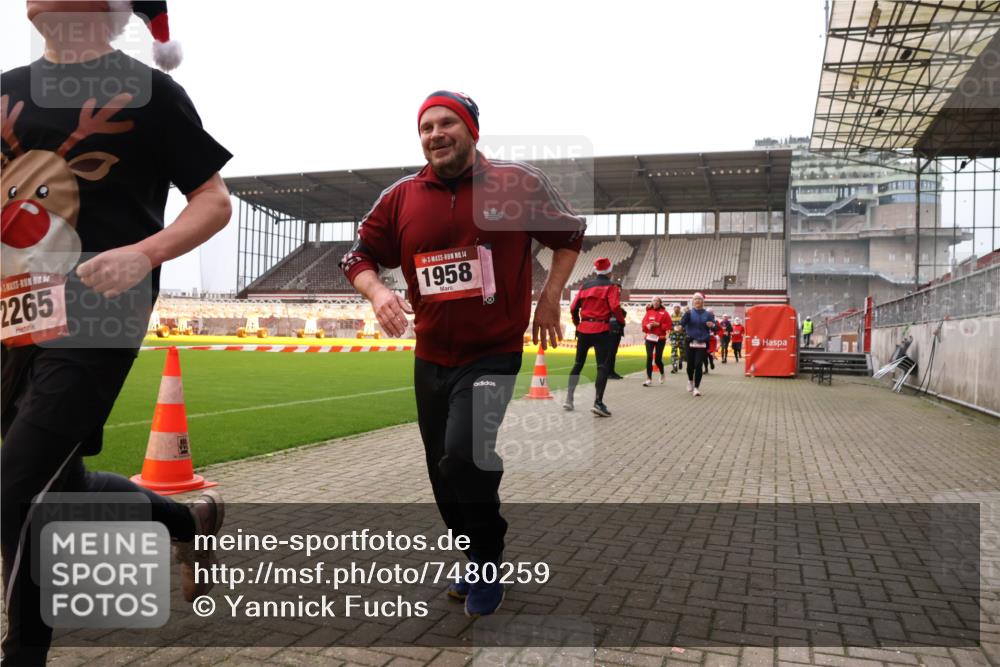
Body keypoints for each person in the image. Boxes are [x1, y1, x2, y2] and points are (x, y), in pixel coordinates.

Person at [1, 3, 232, 662]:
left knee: (18, 489)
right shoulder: (5, 88)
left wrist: (146, 253)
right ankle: (191, 518)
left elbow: (214, 200)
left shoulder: (150, 92)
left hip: (100, 312)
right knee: (58, 480)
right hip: (14, 310)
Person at [340, 90, 584, 617]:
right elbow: (357, 255)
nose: (435, 134)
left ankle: (488, 555)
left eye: (446, 122)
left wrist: (549, 296)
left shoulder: (517, 184)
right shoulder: (402, 195)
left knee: (463, 454)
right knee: (442, 469)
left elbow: (569, 235)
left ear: (472, 129)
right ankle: (473, 552)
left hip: (493, 352)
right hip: (431, 355)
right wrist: (379, 292)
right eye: (426, 127)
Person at [565, 258, 626, 417]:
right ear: (609, 271)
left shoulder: (584, 286)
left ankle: (569, 399)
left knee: (578, 364)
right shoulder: (611, 286)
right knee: (602, 367)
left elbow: (573, 308)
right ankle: (598, 403)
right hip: (601, 329)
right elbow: (614, 306)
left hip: (584, 329)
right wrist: (621, 321)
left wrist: (577, 323)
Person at [680, 293, 716, 397]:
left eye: (699, 299)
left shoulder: (708, 314)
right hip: (690, 341)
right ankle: (690, 380)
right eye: (695, 299)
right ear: (693, 301)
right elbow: (682, 324)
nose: (697, 301)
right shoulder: (689, 313)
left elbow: (715, 328)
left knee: (698, 364)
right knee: (690, 365)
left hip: (702, 342)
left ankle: (696, 388)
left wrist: (712, 325)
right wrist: (685, 314)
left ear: (702, 301)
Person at [640, 297, 672, 386]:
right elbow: (644, 323)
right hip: (649, 338)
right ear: (652, 302)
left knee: (658, 359)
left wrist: (659, 325)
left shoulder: (665, 313)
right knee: (649, 357)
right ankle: (649, 379)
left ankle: (662, 373)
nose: (656, 302)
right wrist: (647, 326)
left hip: (660, 338)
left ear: (660, 303)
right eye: (654, 301)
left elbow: (669, 326)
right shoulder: (649, 312)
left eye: (657, 301)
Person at [606, 275, 625, 380]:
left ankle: (609, 371)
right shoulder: (612, 299)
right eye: (618, 289)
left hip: (612, 327)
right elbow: (615, 309)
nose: (619, 291)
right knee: (611, 351)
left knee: (612, 352)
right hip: (613, 328)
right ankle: (609, 372)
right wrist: (622, 319)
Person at [670, 303, 685, 372]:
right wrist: (673, 328)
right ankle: (674, 366)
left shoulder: (683, 316)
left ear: (680, 308)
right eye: (675, 307)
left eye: (678, 307)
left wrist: (682, 328)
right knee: (673, 351)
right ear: (673, 308)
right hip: (673, 336)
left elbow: (687, 325)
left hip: (682, 336)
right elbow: (669, 325)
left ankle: (680, 361)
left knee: (682, 351)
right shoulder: (671, 316)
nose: (676, 308)